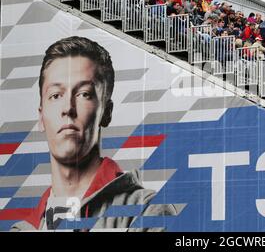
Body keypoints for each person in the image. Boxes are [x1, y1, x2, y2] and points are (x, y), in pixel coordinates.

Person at [11, 37, 176, 232]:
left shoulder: (147, 211)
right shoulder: (24, 229)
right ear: (41, 116)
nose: (67, 108)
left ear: (106, 112)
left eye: (84, 94)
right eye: (56, 95)